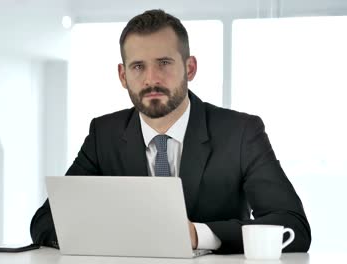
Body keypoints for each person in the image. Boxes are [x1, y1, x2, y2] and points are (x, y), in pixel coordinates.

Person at [30, 9, 311, 254]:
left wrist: (199, 235)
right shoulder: (104, 134)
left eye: (164, 63)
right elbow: (44, 222)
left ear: (190, 68)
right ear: (123, 75)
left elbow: (293, 226)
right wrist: (107, 239)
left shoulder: (240, 133)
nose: (151, 79)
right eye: (138, 66)